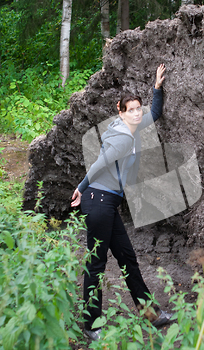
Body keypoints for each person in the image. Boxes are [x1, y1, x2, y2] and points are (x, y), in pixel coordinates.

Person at [71, 64, 172, 341]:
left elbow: (155, 113)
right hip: (98, 200)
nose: (138, 113)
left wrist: (157, 87)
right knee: (97, 264)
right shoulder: (123, 137)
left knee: (127, 258)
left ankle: (151, 314)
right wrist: (80, 189)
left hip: (107, 203)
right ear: (120, 111)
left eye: (138, 108)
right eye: (132, 109)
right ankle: (91, 326)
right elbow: (99, 163)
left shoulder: (130, 127)